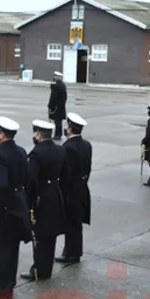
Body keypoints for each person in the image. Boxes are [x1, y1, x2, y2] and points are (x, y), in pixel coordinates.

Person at [0, 116, 31, 299]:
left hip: (4, 208)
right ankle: (9, 283)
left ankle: (3, 287)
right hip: (18, 204)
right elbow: (26, 178)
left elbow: (1, 185)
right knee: (13, 246)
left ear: (2, 134)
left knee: (3, 247)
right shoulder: (21, 151)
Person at [23, 120, 67, 281]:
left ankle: (39, 270)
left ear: (39, 135)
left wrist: (29, 203)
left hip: (41, 197)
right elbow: (65, 173)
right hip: (55, 193)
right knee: (51, 235)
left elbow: (31, 180)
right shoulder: (60, 150)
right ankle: (46, 269)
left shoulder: (36, 153)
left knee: (40, 236)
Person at [57, 113, 91, 264]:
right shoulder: (86, 145)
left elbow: (66, 173)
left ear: (70, 129)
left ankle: (71, 253)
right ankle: (74, 252)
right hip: (82, 187)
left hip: (72, 191)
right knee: (76, 223)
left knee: (71, 223)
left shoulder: (69, 147)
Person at [48, 71, 67, 140]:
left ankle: (57, 135)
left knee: (57, 121)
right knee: (58, 121)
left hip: (57, 107)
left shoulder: (58, 86)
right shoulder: (62, 85)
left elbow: (54, 97)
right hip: (61, 106)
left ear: (58, 77)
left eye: (55, 76)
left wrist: (50, 105)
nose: (54, 77)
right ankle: (58, 134)